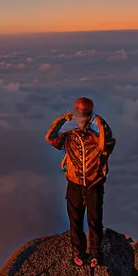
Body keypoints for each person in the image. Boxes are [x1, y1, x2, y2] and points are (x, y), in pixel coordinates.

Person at [46, 97, 116, 266]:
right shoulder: (69, 137)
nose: (82, 118)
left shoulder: (95, 137)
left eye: (84, 114)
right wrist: (63, 119)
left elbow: (106, 144)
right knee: (76, 219)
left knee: (94, 219)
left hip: (93, 184)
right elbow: (51, 138)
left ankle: (95, 253)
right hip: (76, 184)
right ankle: (79, 251)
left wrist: (99, 122)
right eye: (80, 114)